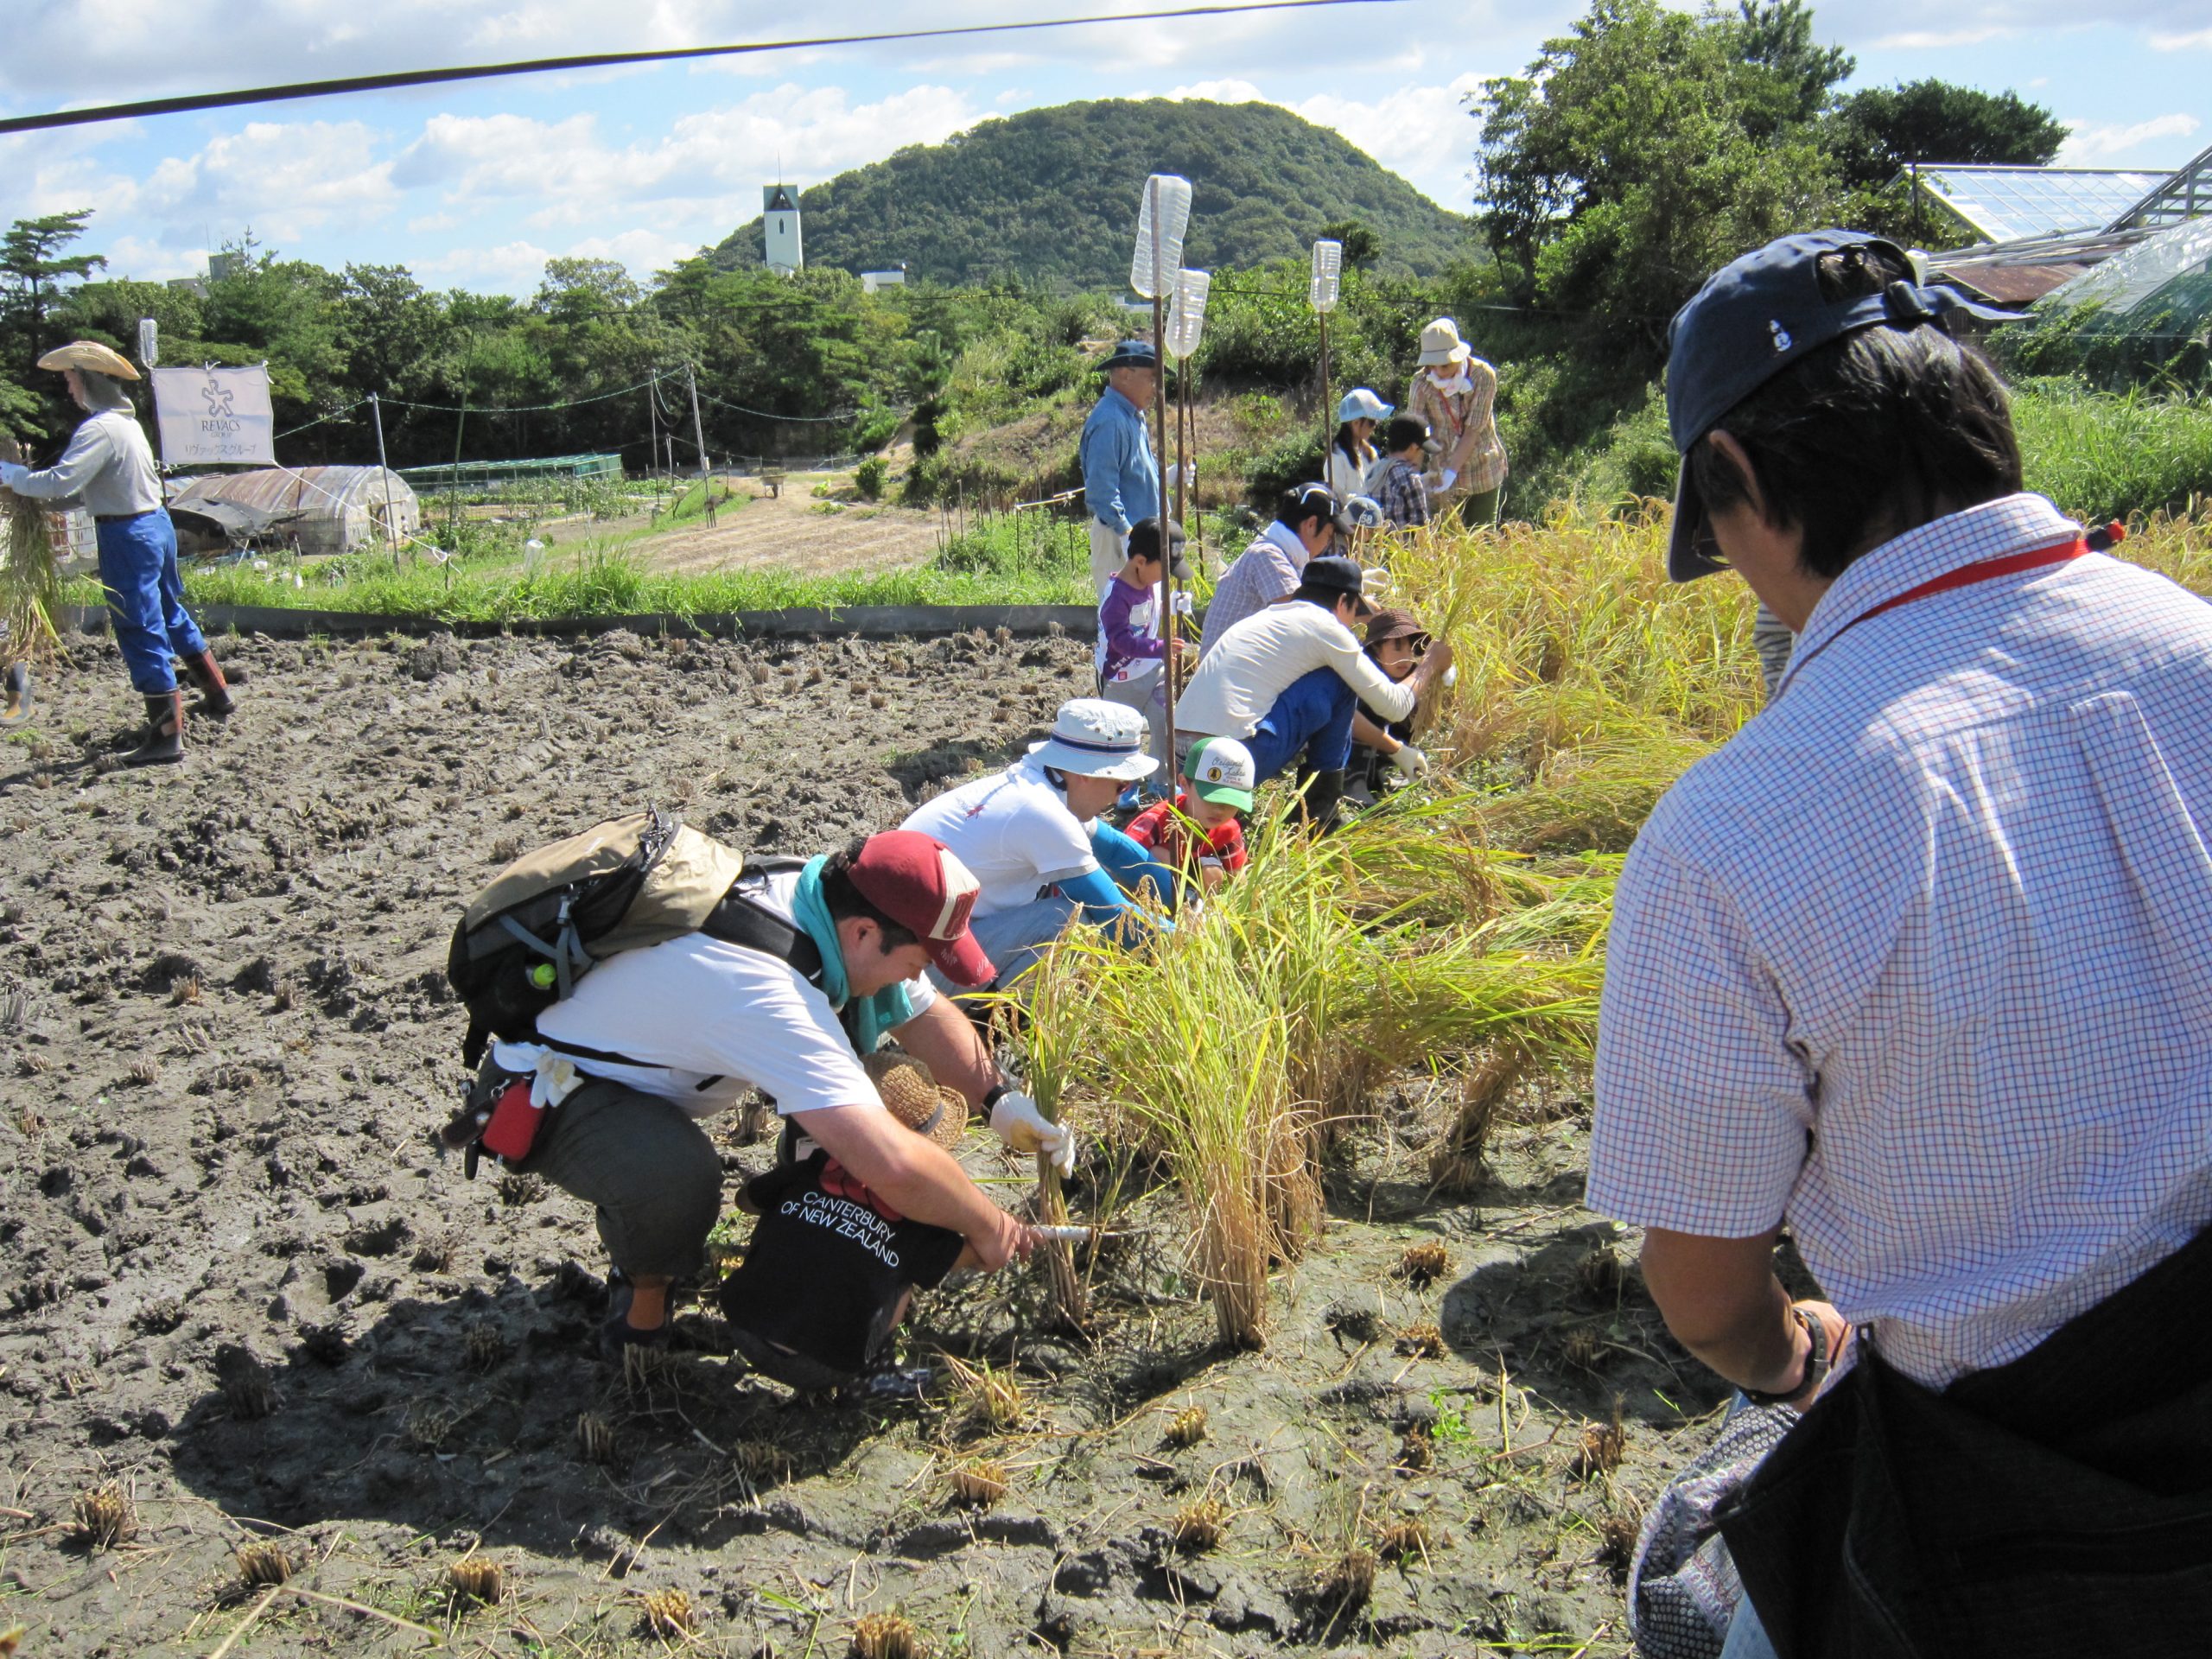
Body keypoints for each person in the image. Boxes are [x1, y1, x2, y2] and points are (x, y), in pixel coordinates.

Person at [1586, 230, 2212, 1658]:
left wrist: (1784, 1347)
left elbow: (1701, 1291)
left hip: (2017, 1510)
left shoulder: (1730, 836)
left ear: (1737, 478)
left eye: (1721, 531)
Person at [453, 831, 1064, 1357]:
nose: (918, 974)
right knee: (675, 1179)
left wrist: (999, 1101)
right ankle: (640, 1300)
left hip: (657, 1063)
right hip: (558, 1090)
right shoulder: (769, 995)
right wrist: (990, 1226)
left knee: (875, 1093)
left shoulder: (822, 892)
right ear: (865, 933)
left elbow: (924, 1014)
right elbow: (893, 1163)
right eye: (918, 959)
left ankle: (806, 1250)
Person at [0, 341, 233, 765]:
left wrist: (14, 477)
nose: (69, 388)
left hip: (127, 535)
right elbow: (91, 488)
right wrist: (42, 497)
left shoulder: (100, 429)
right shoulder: (126, 426)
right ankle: (218, 693)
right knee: (167, 611)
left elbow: (58, 482)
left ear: (88, 379)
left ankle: (166, 737)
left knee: (138, 625)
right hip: (153, 525)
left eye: (71, 379)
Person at [719, 1052, 984, 1393]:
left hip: (744, 1328)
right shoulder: (919, 1211)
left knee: (777, 1209)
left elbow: (744, 1201)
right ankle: (876, 1376)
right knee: (904, 1276)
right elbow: (964, 1257)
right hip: (826, 1364)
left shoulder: (813, 1167)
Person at [902, 699, 1178, 994]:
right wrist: (1200, 938)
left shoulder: (1042, 785)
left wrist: (1184, 894)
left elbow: (1114, 849)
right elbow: (1114, 917)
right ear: (1087, 774)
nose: (1116, 799)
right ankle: (998, 1017)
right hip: (912, 972)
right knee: (1068, 919)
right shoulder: (1041, 813)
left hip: (916, 946)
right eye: (1121, 786)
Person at [1177, 556, 1454, 822]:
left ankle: (1315, 807)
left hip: (1182, 757)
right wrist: (1430, 662)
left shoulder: (1268, 619)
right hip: (1229, 761)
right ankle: (1319, 815)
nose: (1351, 623)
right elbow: (1395, 706)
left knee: (1325, 683)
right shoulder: (1327, 628)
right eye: (1353, 611)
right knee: (1338, 681)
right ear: (1343, 601)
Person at [1196, 483, 1349, 658]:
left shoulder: (1280, 552)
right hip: (1228, 674)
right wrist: (1352, 603)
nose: (1327, 544)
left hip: (1234, 667)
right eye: (1329, 536)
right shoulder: (1267, 555)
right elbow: (1304, 615)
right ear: (1311, 524)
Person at [1096, 516, 1191, 779]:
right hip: (1121, 679)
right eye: (1165, 570)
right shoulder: (1117, 597)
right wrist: (1161, 647)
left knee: (1162, 723)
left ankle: (1160, 780)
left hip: (1153, 672)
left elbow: (1155, 610)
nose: (1167, 578)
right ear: (1140, 562)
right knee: (1123, 733)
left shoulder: (1152, 581)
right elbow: (1121, 642)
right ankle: (1125, 785)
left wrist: (1178, 602)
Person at [1079, 340, 1162, 597]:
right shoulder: (1111, 421)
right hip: (1119, 540)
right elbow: (1102, 491)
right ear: (1126, 375)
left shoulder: (1132, 417)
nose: (1155, 388)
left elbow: (1135, 475)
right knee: (1122, 623)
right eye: (1150, 378)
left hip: (1139, 541)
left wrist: (1168, 476)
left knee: (1141, 620)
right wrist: (1127, 534)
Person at [1406, 319, 1506, 526]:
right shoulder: (1421, 384)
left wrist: (1451, 473)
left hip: (1483, 468)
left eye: (1446, 364)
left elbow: (1473, 430)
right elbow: (1417, 436)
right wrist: (1413, 477)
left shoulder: (1482, 376)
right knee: (1448, 543)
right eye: (1434, 365)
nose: (1441, 372)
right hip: (1441, 475)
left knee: (1483, 538)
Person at [1126, 734, 1255, 895]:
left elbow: (1240, 883)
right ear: (1184, 784)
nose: (1220, 810)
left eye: (1231, 803)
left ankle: (1198, 912)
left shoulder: (1228, 829)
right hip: (1148, 890)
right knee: (1162, 856)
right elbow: (1119, 865)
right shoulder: (1154, 823)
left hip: (1194, 890)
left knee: (1212, 871)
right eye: (1211, 799)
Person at [1348, 607, 1433, 795]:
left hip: (1377, 745)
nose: (1405, 657)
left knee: (1411, 710)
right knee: (1376, 708)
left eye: (1410, 649)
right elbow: (1350, 720)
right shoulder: (1362, 674)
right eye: (1397, 647)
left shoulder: (1409, 676)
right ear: (1376, 649)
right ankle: (1354, 783)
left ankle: (1375, 775)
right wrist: (1397, 750)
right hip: (1333, 745)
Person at [1366, 416, 1433, 530]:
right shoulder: (1410, 478)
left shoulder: (1374, 471)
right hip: (1402, 547)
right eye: (1421, 449)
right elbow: (1421, 529)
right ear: (1414, 447)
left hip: (1377, 545)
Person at [1326, 389, 1393, 502]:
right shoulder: (1336, 457)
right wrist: (1368, 500)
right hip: (1350, 519)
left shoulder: (1370, 452)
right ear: (1355, 423)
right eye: (1372, 422)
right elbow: (1338, 498)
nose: (1375, 426)